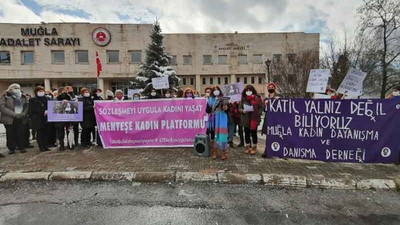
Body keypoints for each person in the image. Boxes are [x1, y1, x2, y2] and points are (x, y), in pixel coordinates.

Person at [0, 83, 29, 155]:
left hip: (20, 118)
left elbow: (26, 105)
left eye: (18, 88)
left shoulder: (22, 96)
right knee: (10, 134)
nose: (17, 89)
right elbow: (2, 107)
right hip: (9, 118)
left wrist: (23, 114)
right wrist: (14, 114)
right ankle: (11, 148)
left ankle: (21, 147)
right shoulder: (5, 96)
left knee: (20, 133)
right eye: (15, 88)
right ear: (10, 88)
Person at [239, 85, 263, 155]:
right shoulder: (243, 99)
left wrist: (258, 114)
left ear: (253, 91)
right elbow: (239, 108)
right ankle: (247, 146)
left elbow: (261, 107)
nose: (248, 92)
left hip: (254, 119)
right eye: (247, 90)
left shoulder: (257, 98)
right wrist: (243, 111)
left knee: (254, 133)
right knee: (246, 133)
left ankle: (254, 147)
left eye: (250, 90)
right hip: (245, 119)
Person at [29, 86, 50, 152]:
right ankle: (41, 146)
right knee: (40, 133)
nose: (41, 92)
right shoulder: (33, 100)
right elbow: (32, 109)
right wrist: (43, 112)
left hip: (46, 118)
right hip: (38, 119)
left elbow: (51, 106)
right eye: (39, 91)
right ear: (36, 92)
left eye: (42, 91)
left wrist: (48, 111)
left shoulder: (47, 99)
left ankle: (46, 146)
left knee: (46, 133)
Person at [206, 86, 224, 159]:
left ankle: (223, 153)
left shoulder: (223, 99)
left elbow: (228, 109)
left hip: (221, 119)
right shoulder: (210, 99)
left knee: (222, 136)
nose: (216, 91)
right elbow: (207, 110)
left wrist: (225, 107)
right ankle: (214, 152)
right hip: (213, 120)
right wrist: (210, 110)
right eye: (214, 90)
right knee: (213, 136)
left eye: (217, 90)